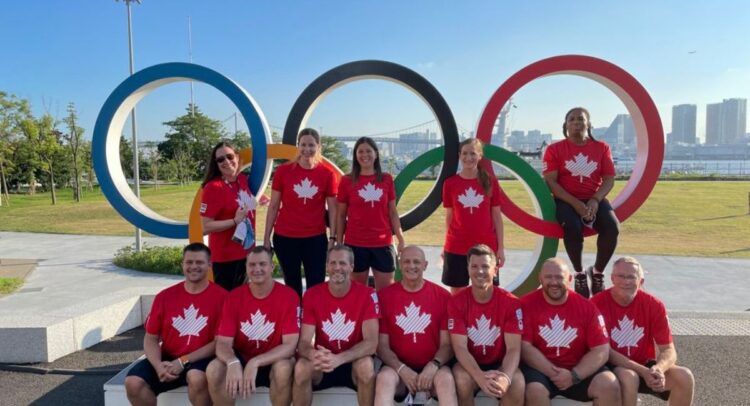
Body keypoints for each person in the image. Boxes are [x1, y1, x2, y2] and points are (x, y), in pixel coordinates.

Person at [125, 243, 227, 406]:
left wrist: (183, 361)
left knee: (197, 378)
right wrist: (158, 366)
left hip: (202, 358)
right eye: (189, 262)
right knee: (133, 383)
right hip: (169, 357)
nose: (194, 266)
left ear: (209, 265)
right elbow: (151, 338)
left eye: (199, 262)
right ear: (182, 265)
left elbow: (220, 343)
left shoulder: (223, 298)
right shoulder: (165, 297)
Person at [591, 256, 694, 406]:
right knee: (629, 377)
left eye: (632, 277)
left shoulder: (654, 305)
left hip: (645, 366)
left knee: (684, 376)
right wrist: (642, 371)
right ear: (612, 278)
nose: (626, 281)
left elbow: (668, 349)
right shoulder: (595, 305)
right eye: (621, 276)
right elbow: (603, 351)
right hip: (609, 366)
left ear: (641, 281)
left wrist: (659, 369)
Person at [206, 246, 300, 406]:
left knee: (284, 368)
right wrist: (232, 362)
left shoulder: (289, 296)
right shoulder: (234, 297)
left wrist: (255, 362)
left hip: (274, 357)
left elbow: (290, 346)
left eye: (262, 264)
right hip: (242, 356)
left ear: (272, 267)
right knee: (214, 370)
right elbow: (222, 343)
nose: (257, 269)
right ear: (246, 268)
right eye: (252, 265)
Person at [520, 258, 621, 406]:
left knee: (609, 385)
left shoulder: (587, 307)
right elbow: (525, 347)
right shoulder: (525, 305)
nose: (554, 282)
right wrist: (554, 373)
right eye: (548, 277)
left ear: (569, 278)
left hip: (578, 369)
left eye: (559, 277)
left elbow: (601, 350)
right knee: (535, 390)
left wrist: (574, 375)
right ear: (540, 278)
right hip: (540, 370)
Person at [542, 107, 619, 298]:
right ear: (565, 125)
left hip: (594, 197)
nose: (576, 122)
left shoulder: (601, 148)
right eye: (572, 119)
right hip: (565, 199)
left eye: (581, 119)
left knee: (612, 227)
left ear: (589, 124)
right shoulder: (554, 149)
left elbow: (609, 178)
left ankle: (598, 272)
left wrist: (595, 200)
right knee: (573, 228)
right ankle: (579, 273)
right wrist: (575, 203)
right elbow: (551, 181)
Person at [293, 245, 379, 406]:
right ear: (326, 266)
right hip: (323, 362)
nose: (337, 268)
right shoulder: (312, 294)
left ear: (351, 267)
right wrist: (315, 355)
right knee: (301, 367)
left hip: (353, 360)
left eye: (342, 263)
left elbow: (371, 343)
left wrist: (339, 358)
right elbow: (304, 343)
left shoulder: (368, 294)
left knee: (366, 366)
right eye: (332, 263)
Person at [375, 245, 457, 405]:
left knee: (446, 380)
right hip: (397, 369)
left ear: (425, 265)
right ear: (399, 264)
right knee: (384, 379)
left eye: (416, 262)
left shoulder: (442, 297)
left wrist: (434, 365)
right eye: (406, 262)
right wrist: (401, 369)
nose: (411, 266)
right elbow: (382, 346)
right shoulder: (384, 297)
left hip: (434, 367)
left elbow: (447, 345)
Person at [264, 128, 338, 297]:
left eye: (311, 145)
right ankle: (294, 318)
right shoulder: (283, 171)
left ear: (319, 147)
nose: (307, 149)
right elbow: (274, 205)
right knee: (292, 284)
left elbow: (333, 208)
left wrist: (333, 237)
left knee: (316, 284)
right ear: (298, 146)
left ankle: (313, 320)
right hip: (285, 237)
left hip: (315, 238)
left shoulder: (327, 174)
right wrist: (266, 237)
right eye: (303, 144)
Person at [448, 244, 524, 406]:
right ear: (468, 269)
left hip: (499, 362)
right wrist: (480, 377)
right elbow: (460, 348)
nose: (480, 271)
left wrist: (505, 377)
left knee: (516, 381)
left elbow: (513, 348)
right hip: (469, 362)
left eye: (485, 266)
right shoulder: (457, 302)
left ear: (495, 270)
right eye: (474, 266)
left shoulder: (510, 302)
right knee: (461, 379)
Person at [336, 136, 405, 290]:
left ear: (376, 154)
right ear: (355, 155)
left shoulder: (386, 179)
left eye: (368, 151)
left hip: (383, 243)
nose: (364, 155)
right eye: (360, 151)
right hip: (355, 244)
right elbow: (341, 215)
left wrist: (400, 238)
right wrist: (339, 243)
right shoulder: (347, 181)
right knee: (358, 293)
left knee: (386, 294)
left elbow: (393, 212)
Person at [442, 138, 505, 294]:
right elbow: (449, 216)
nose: (468, 158)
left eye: (473, 153)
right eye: (464, 153)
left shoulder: (491, 182)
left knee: (487, 292)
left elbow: (497, 217)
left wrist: (501, 248)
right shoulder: (450, 183)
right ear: (459, 155)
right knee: (457, 293)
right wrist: (446, 245)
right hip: (456, 246)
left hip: (486, 247)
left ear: (480, 156)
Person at [200, 141, 258, 291]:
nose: (226, 161)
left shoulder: (243, 180)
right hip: (226, 258)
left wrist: (261, 198)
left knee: (243, 301)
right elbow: (205, 227)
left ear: (237, 157)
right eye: (220, 159)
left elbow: (241, 199)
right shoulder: (213, 188)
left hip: (247, 254)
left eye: (229, 156)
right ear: (216, 164)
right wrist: (234, 221)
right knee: (228, 304)